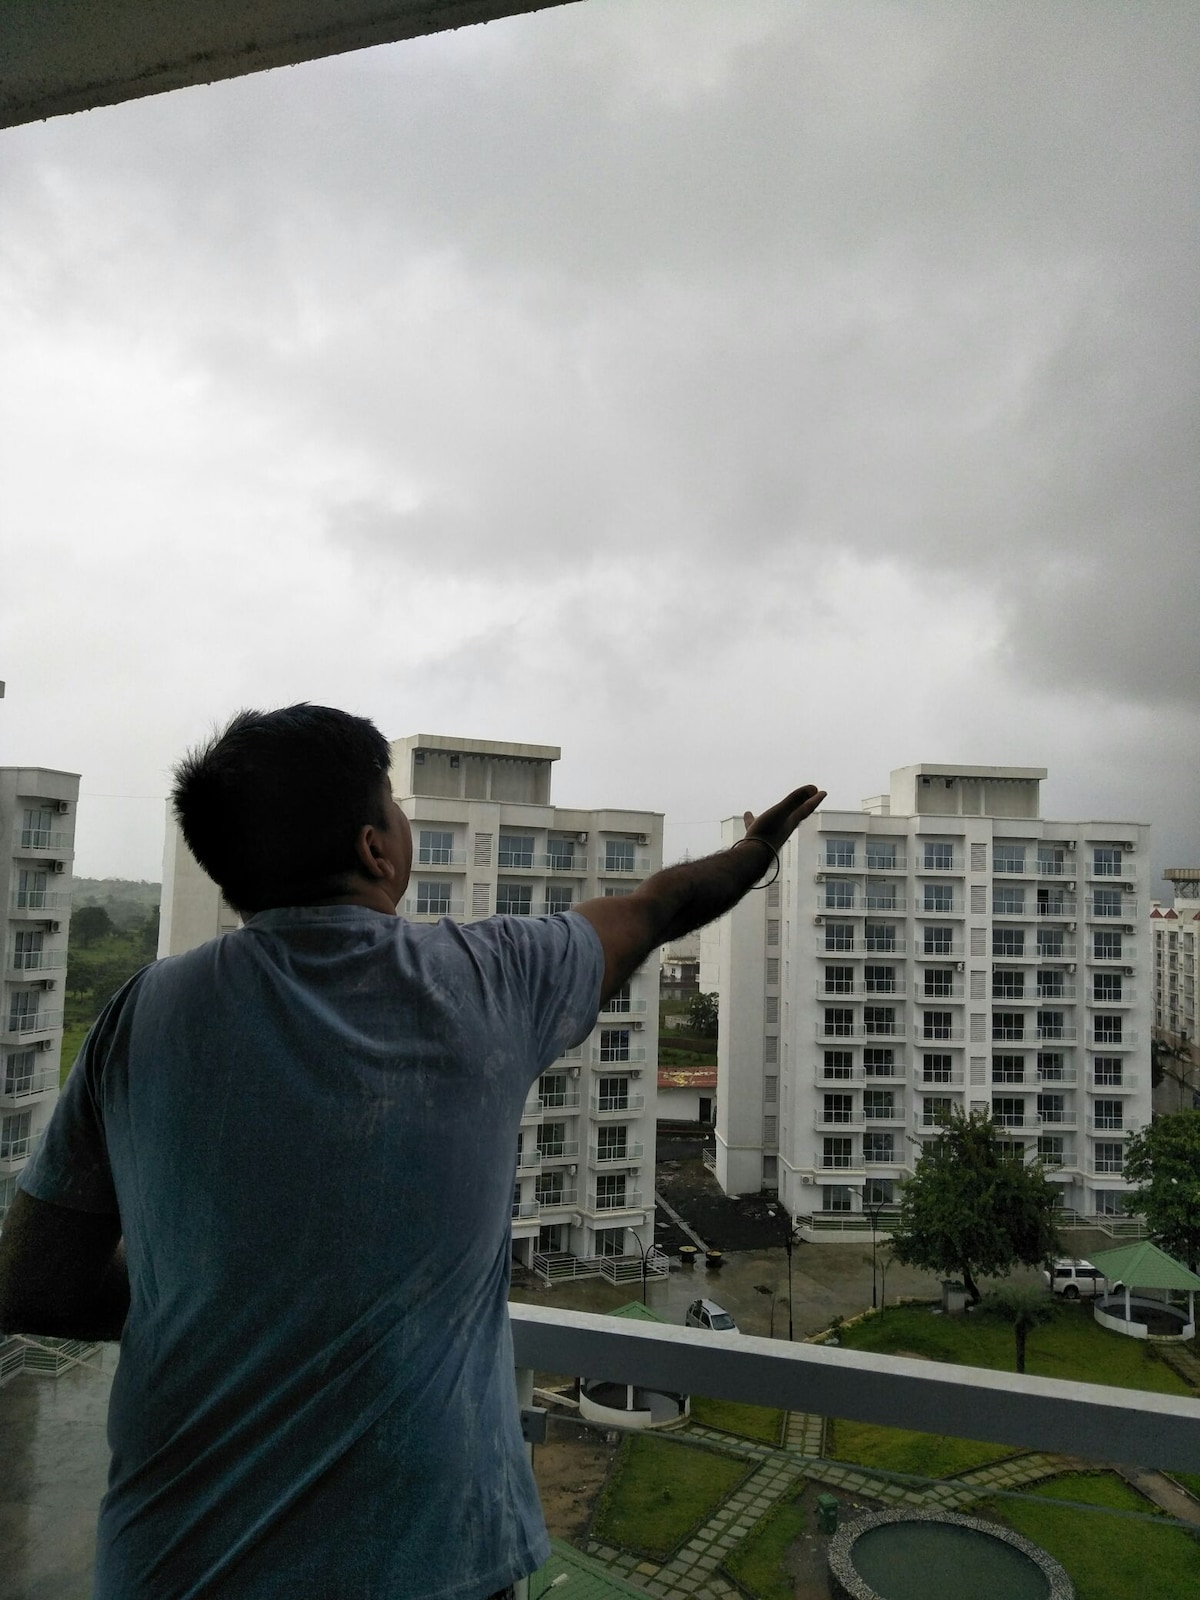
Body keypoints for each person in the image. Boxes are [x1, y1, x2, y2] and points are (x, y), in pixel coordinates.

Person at [0, 704, 824, 1599]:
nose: (404, 821)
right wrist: (754, 855)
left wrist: (209, 1286)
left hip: (173, 1564)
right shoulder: (484, 980)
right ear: (373, 849)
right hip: (431, 1562)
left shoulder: (143, 1014)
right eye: (393, 803)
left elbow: (34, 1280)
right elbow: (656, 906)